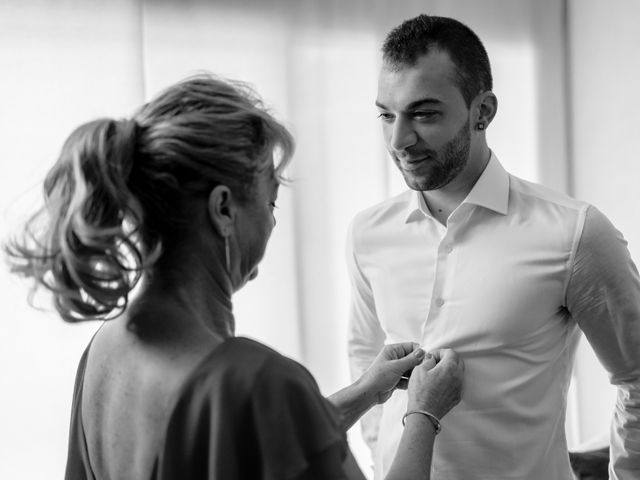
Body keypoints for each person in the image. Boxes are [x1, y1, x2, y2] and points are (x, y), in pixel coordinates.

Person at [5, 74, 465, 479]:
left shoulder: (106, 348)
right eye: (270, 200)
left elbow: (255, 445)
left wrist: (367, 390)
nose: (272, 222)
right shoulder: (255, 383)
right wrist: (424, 413)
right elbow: (259, 420)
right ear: (223, 208)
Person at [347, 14, 640, 480]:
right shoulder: (368, 233)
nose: (399, 140)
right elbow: (366, 361)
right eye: (386, 114)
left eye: (423, 114)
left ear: (482, 112)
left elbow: (636, 377)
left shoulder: (574, 233)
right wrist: (384, 453)